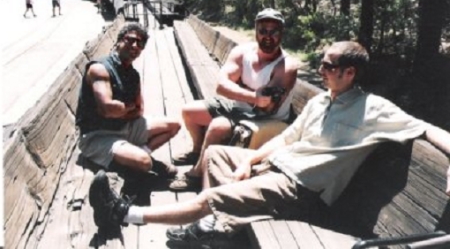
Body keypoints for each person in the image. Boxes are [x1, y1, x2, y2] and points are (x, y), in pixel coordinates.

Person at [89, 40, 450, 245]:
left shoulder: (374, 108)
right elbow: (289, 137)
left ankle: (124, 213)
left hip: (301, 187)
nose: (320, 69)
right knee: (215, 153)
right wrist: (248, 161)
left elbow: (427, 129)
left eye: (327, 65)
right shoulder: (322, 100)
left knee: (214, 196)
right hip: (276, 166)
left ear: (349, 72)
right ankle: (222, 228)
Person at [169, 8, 300, 192]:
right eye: (263, 30)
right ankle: (197, 151)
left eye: (274, 31)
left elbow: (267, 106)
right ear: (255, 30)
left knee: (218, 126)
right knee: (189, 112)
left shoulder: (286, 66)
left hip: (268, 119)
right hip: (241, 107)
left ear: (282, 34)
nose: (268, 36)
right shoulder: (242, 52)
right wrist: (254, 95)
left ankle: (197, 174)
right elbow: (221, 86)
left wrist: (240, 88)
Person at [76, 23, 181, 203]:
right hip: (98, 136)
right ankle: (138, 166)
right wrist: (128, 108)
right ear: (118, 42)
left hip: (126, 127)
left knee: (174, 126)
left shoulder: (133, 75)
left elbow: (139, 110)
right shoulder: (100, 69)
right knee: (145, 163)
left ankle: (138, 153)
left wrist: (122, 110)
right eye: (130, 40)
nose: (135, 46)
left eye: (139, 44)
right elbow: (107, 109)